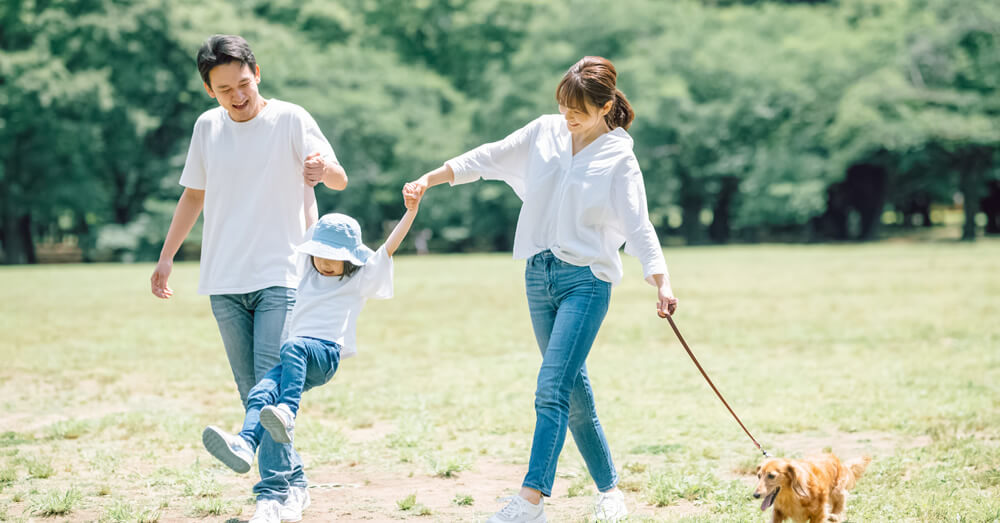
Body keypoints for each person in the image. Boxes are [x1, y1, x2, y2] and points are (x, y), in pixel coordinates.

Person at [405, 56, 678, 523]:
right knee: (572, 391)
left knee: (550, 387)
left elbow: (638, 224)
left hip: (586, 281)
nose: (567, 116)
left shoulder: (619, 157)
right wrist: (432, 178)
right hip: (538, 275)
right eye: (563, 105)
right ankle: (610, 490)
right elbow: (488, 156)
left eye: (578, 109)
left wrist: (661, 280)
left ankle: (531, 502)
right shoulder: (544, 132)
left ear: (605, 105)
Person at [148, 34, 346, 520]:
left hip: (282, 271)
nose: (237, 96)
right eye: (223, 89)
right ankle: (293, 482)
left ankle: (272, 494)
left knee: (269, 385)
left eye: (243, 83)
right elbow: (194, 195)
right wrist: (167, 256)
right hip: (224, 278)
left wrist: (324, 169)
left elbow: (337, 176)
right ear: (208, 90)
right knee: (254, 391)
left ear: (257, 74)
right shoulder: (207, 128)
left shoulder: (291, 119)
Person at [201, 194, 421, 523]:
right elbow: (307, 220)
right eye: (319, 254)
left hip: (324, 355)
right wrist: (306, 186)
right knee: (261, 392)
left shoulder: (359, 277)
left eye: (333, 257)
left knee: (292, 346)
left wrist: (411, 210)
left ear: (350, 258)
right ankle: (246, 443)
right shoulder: (307, 268)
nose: (324, 261)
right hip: (297, 360)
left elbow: (388, 248)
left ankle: (288, 413)